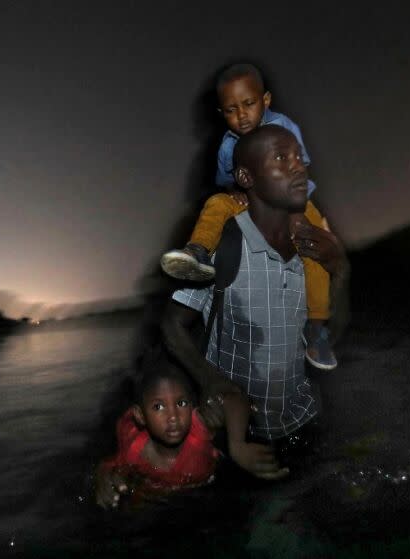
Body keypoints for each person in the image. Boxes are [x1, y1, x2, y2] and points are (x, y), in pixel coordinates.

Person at [162, 125, 348, 469]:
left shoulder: (314, 246)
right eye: (281, 158)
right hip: (238, 438)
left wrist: (340, 269)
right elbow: (172, 326)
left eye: (298, 158)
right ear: (246, 176)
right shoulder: (225, 243)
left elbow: (333, 334)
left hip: (305, 422)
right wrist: (211, 382)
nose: (298, 167)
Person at [160, 63, 337, 370]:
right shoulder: (228, 146)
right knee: (216, 203)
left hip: (292, 196)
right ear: (222, 112)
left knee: (314, 246)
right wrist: (235, 191)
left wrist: (297, 209)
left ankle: (317, 326)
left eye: (248, 104)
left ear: (265, 100)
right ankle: (198, 251)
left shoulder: (284, 127)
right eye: (231, 110)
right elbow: (226, 181)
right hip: (251, 197)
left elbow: (299, 168)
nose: (241, 115)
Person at [94, 359, 287, 509]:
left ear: (192, 406)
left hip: (207, 492)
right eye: (158, 407)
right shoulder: (134, 450)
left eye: (181, 403)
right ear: (141, 416)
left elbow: (232, 396)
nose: (173, 417)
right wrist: (103, 481)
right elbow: (107, 466)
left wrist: (238, 446)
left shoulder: (197, 430)